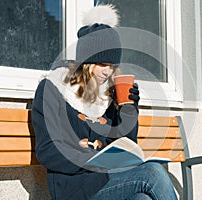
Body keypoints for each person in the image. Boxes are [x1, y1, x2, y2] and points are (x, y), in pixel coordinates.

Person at [32, 4, 178, 200]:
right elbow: (47, 151)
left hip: (106, 180)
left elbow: (126, 145)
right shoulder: (54, 89)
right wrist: (92, 159)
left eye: (112, 66)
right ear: (86, 61)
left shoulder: (107, 95)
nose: (107, 72)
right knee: (153, 172)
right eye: (102, 64)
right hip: (73, 186)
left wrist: (128, 110)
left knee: (142, 199)